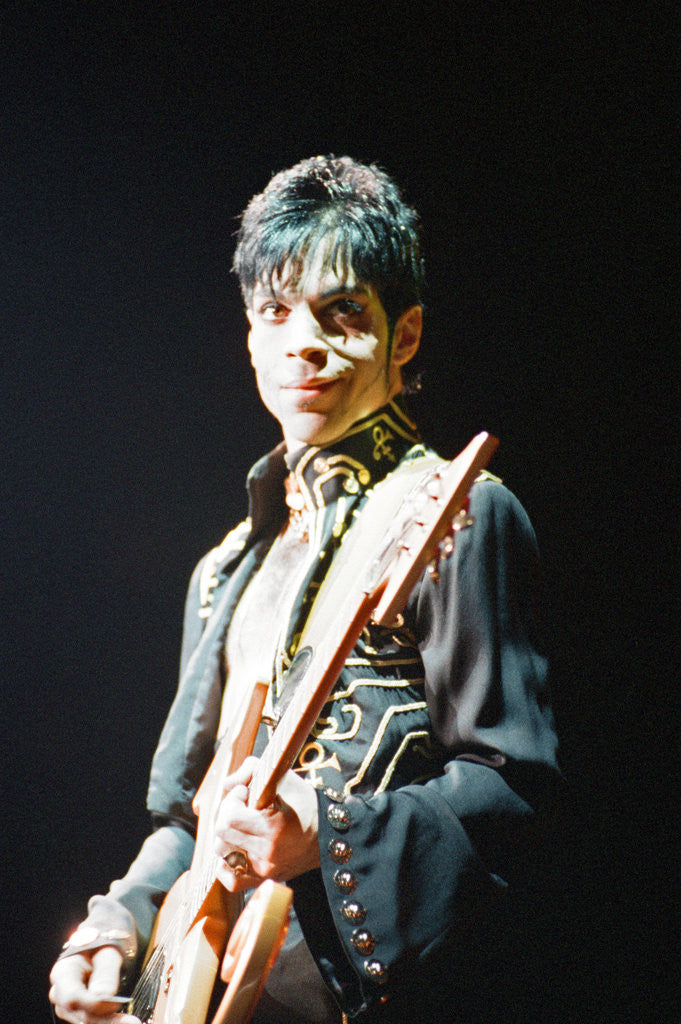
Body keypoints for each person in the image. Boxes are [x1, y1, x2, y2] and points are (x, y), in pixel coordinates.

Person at [49, 155, 561, 1024]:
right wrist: (112, 931)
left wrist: (325, 835)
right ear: (249, 335)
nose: (303, 342)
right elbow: (189, 822)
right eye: (275, 313)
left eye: (342, 313)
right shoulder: (227, 570)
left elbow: (513, 789)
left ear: (402, 336)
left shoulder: (460, 515)